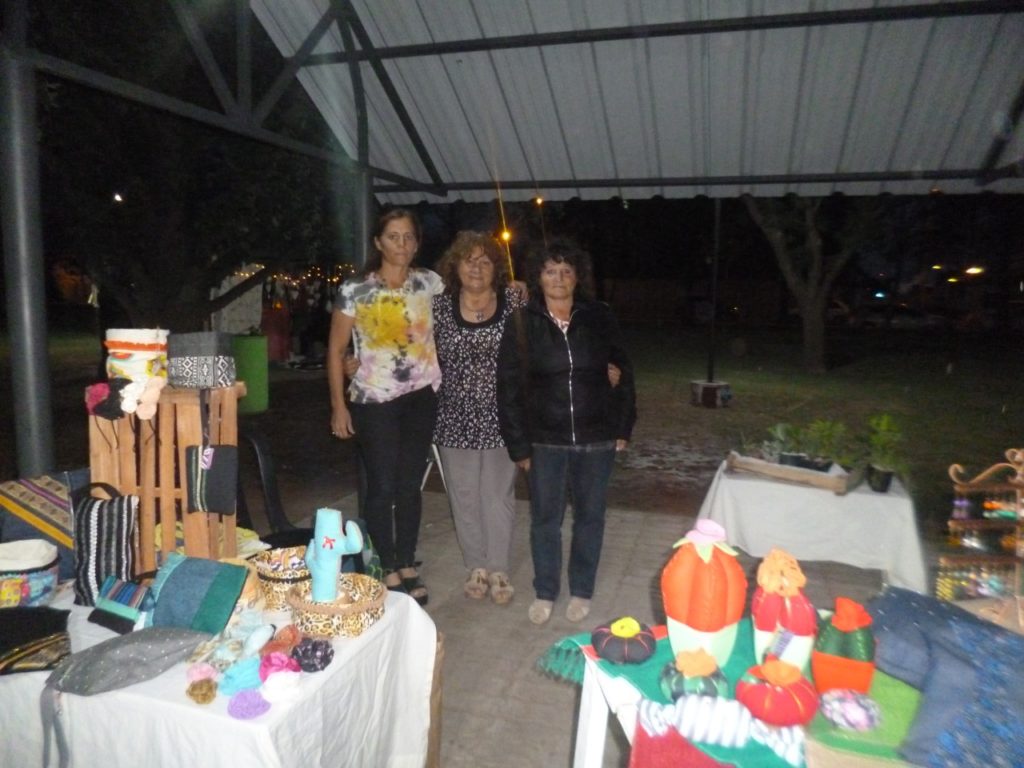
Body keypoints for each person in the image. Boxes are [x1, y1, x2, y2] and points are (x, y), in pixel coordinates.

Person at [496, 238, 636, 625]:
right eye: (550, 271)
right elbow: (508, 387)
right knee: (545, 519)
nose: (558, 278)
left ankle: (582, 589)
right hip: (545, 440)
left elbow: (624, 372)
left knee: (590, 516)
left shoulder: (599, 316)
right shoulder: (522, 322)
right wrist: (519, 446)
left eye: (566, 271)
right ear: (538, 277)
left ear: (577, 277)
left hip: (596, 436)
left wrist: (623, 425)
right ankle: (545, 590)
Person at [327, 208, 441, 606]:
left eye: (408, 236)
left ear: (417, 242)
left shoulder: (429, 283)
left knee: (410, 486)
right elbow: (336, 350)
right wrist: (338, 405)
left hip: (420, 397)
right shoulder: (356, 289)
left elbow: (475, 289)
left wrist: (513, 287)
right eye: (393, 236)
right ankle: (385, 563)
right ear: (378, 242)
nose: (402, 244)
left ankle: (407, 561)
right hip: (374, 400)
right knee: (382, 486)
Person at [431, 231, 526, 605]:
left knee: (498, 495)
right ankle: (476, 566)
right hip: (454, 418)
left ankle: (499, 567)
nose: (476, 267)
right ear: (455, 265)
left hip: (504, 417)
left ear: (496, 269)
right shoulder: (438, 307)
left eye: (485, 261)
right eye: (469, 260)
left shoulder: (515, 301)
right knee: (464, 495)